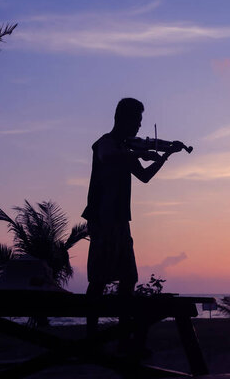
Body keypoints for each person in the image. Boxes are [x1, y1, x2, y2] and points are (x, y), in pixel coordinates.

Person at [81, 98, 179, 342]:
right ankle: (91, 336)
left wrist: (164, 155)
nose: (138, 128)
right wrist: (137, 152)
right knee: (98, 279)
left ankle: (123, 336)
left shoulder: (125, 149)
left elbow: (144, 176)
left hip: (121, 219)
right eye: (136, 121)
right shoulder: (105, 143)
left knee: (128, 278)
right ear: (122, 119)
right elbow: (108, 158)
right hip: (102, 218)